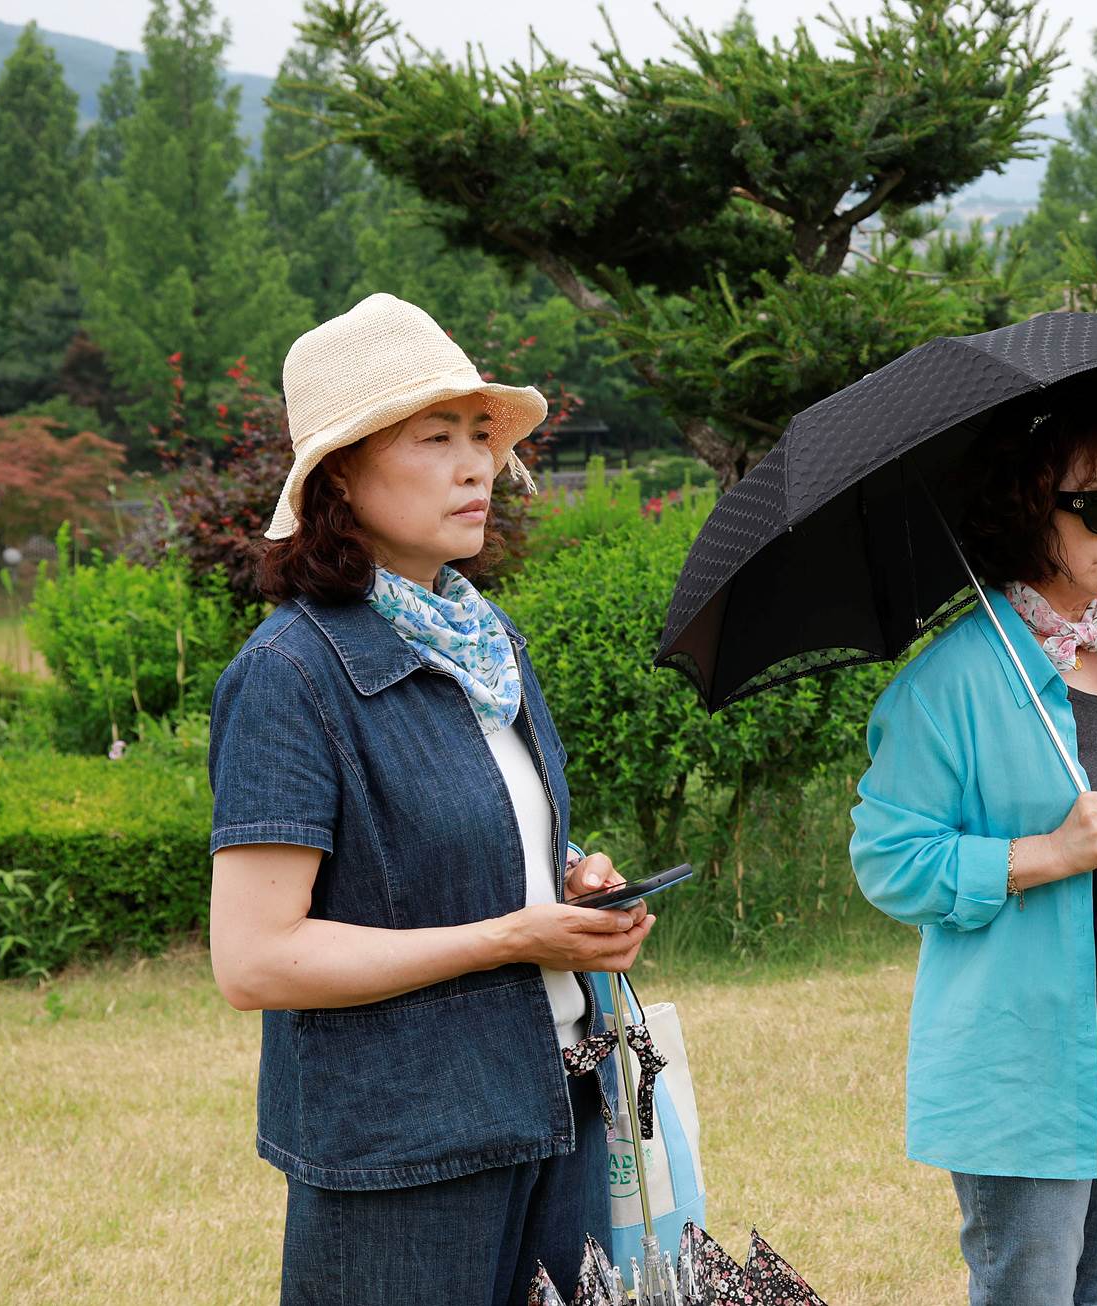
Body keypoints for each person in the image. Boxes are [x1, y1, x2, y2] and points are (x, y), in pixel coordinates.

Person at [205, 294, 656, 1303]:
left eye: (481, 437)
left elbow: (466, 844)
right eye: (436, 437)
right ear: (339, 474)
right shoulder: (291, 673)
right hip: (405, 1152)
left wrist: (571, 885)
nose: (476, 466)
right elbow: (256, 959)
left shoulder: (486, 645)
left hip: (559, 1100)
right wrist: (508, 936)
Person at [849, 394, 1097, 1306]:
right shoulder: (950, 681)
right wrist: (1044, 854)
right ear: (1028, 506)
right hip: (1020, 1062)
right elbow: (888, 860)